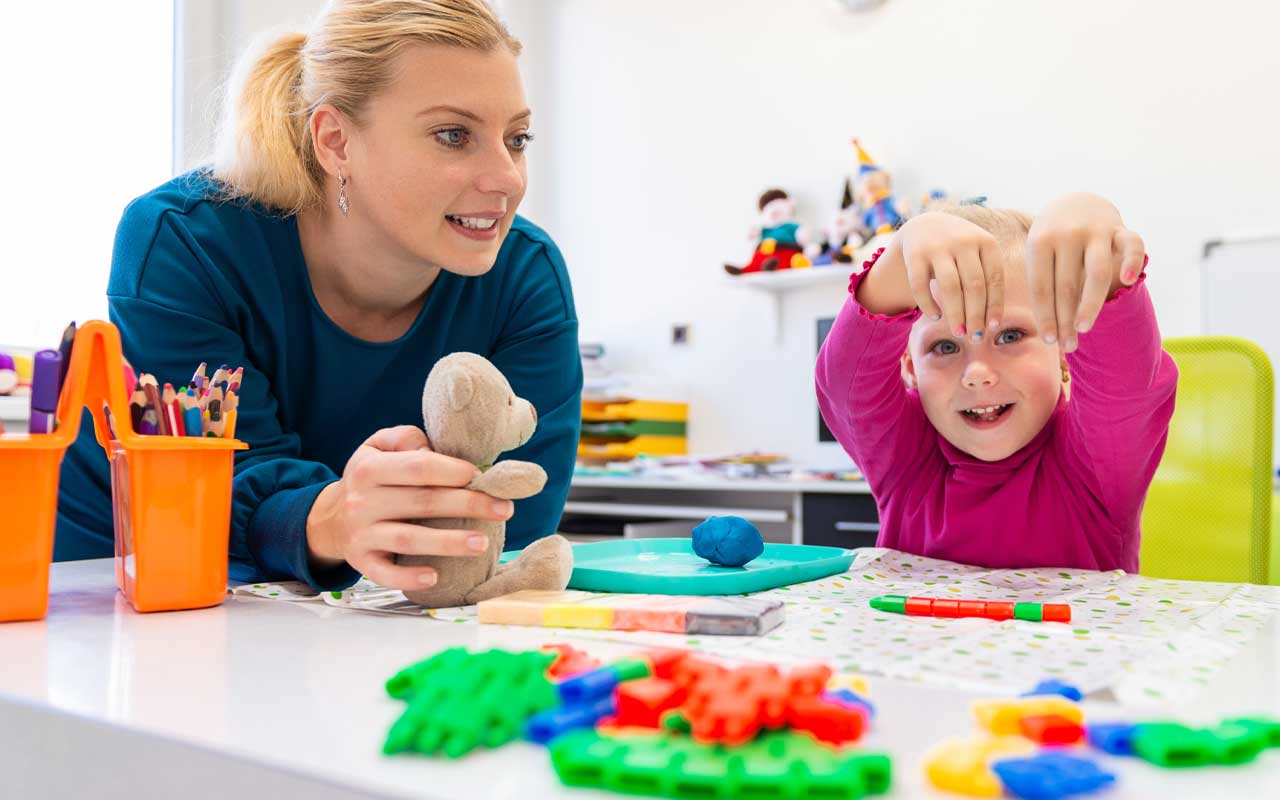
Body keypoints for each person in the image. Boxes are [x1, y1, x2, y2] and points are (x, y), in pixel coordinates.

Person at [55, 0, 582, 592]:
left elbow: (510, 521)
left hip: (343, 603)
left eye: (517, 138)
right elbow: (213, 480)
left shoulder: (526, 276)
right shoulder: (185, 241)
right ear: (335, 141)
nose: (507, 177)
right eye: (453, 135)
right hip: (119, 576)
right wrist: (330, 518)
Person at [816, 193, 1177, 571]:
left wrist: (1096, 256)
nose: (977, 374)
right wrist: (900, 255)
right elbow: (846, 386)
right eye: (944, 346)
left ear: (1063, 353)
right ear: (909, 368)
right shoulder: (906, 460)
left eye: (1009, 336)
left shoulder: (1096, 466)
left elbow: (1125, 384)